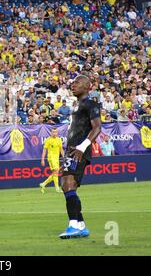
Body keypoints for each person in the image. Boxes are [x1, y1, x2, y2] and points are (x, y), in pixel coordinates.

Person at [59, 75, 101, 239]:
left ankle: (74, 225)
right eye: (73, 82)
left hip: (79, 150)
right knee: (67, 186)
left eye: (76, 82)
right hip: (71, 150)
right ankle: (81, 225)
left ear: (86, 86)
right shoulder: (78, 106)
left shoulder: (90, 104)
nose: (73, 85)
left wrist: (82, 148)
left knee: (69, 184)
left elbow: (97, 128)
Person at [39, 128, 64, 193]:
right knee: (56, 171)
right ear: (51, 133)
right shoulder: (48, 140)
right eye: (53, 132)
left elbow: (61, 149)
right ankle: (57, 188)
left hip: (56, 158)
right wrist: (42, 159)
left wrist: (64, 157)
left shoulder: (59, 140)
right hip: (51, 158)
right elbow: (44, 150)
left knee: (55, 173)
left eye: (55, 132)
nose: (54, 133)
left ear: (57, 133)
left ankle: (43, 184)